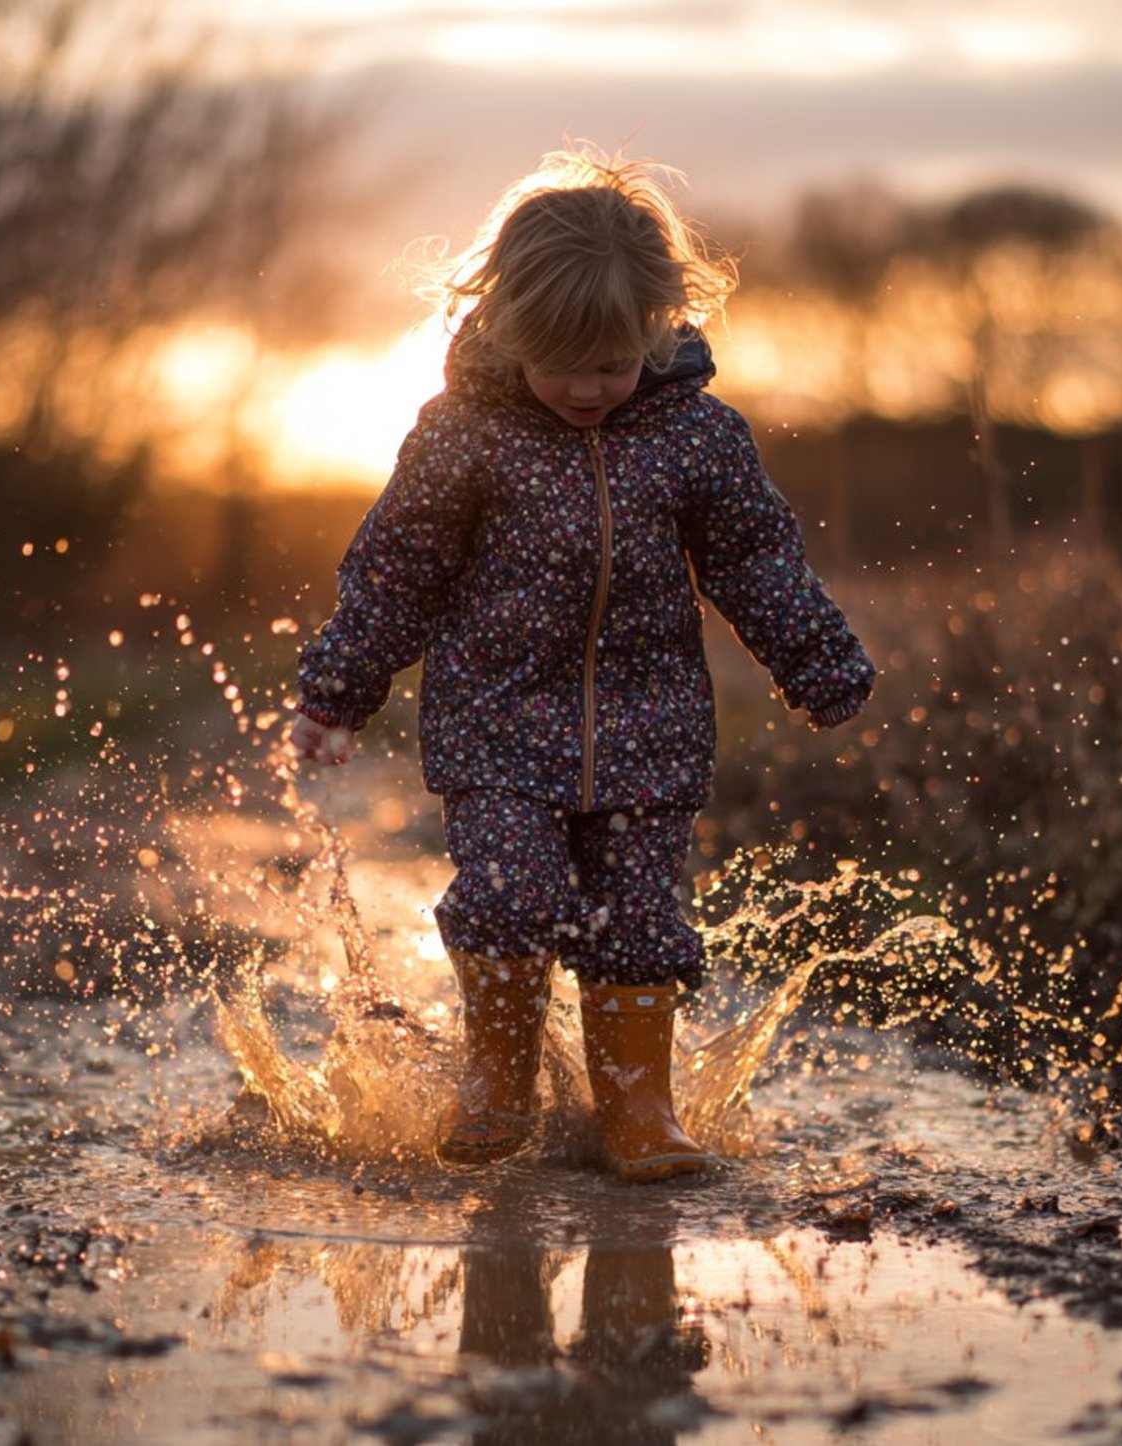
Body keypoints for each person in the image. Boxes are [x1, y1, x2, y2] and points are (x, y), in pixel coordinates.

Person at [287, 147, 874, 1183]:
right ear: (508, 329)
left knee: (641, 920)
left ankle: (638, 1112)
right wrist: (337, 691)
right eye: (561, 363)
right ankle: (497, 1084)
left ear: (659, 326)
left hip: (651, 732)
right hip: (497, 729)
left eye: (613, 363)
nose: (589, 388)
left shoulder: (698, 436)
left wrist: (816, 661)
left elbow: (753, 556)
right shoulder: (462, 436)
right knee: (509, 896)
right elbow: (396, 572)